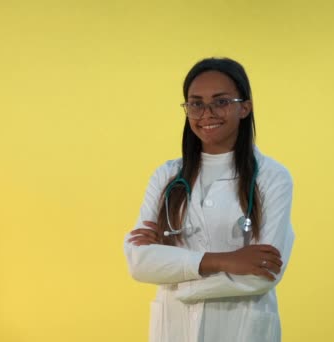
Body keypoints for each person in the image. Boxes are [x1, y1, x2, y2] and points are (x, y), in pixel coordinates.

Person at [124, 57, 294, 342]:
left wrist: (179, 281)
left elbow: (262, 274)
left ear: (245, 107)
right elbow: (139, 262)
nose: (207, 113)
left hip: (241, 328)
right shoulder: (167, 176)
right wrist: (224, 260)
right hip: (174, 329)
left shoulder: (272, 177)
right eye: (196, 103)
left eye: (221, 101)